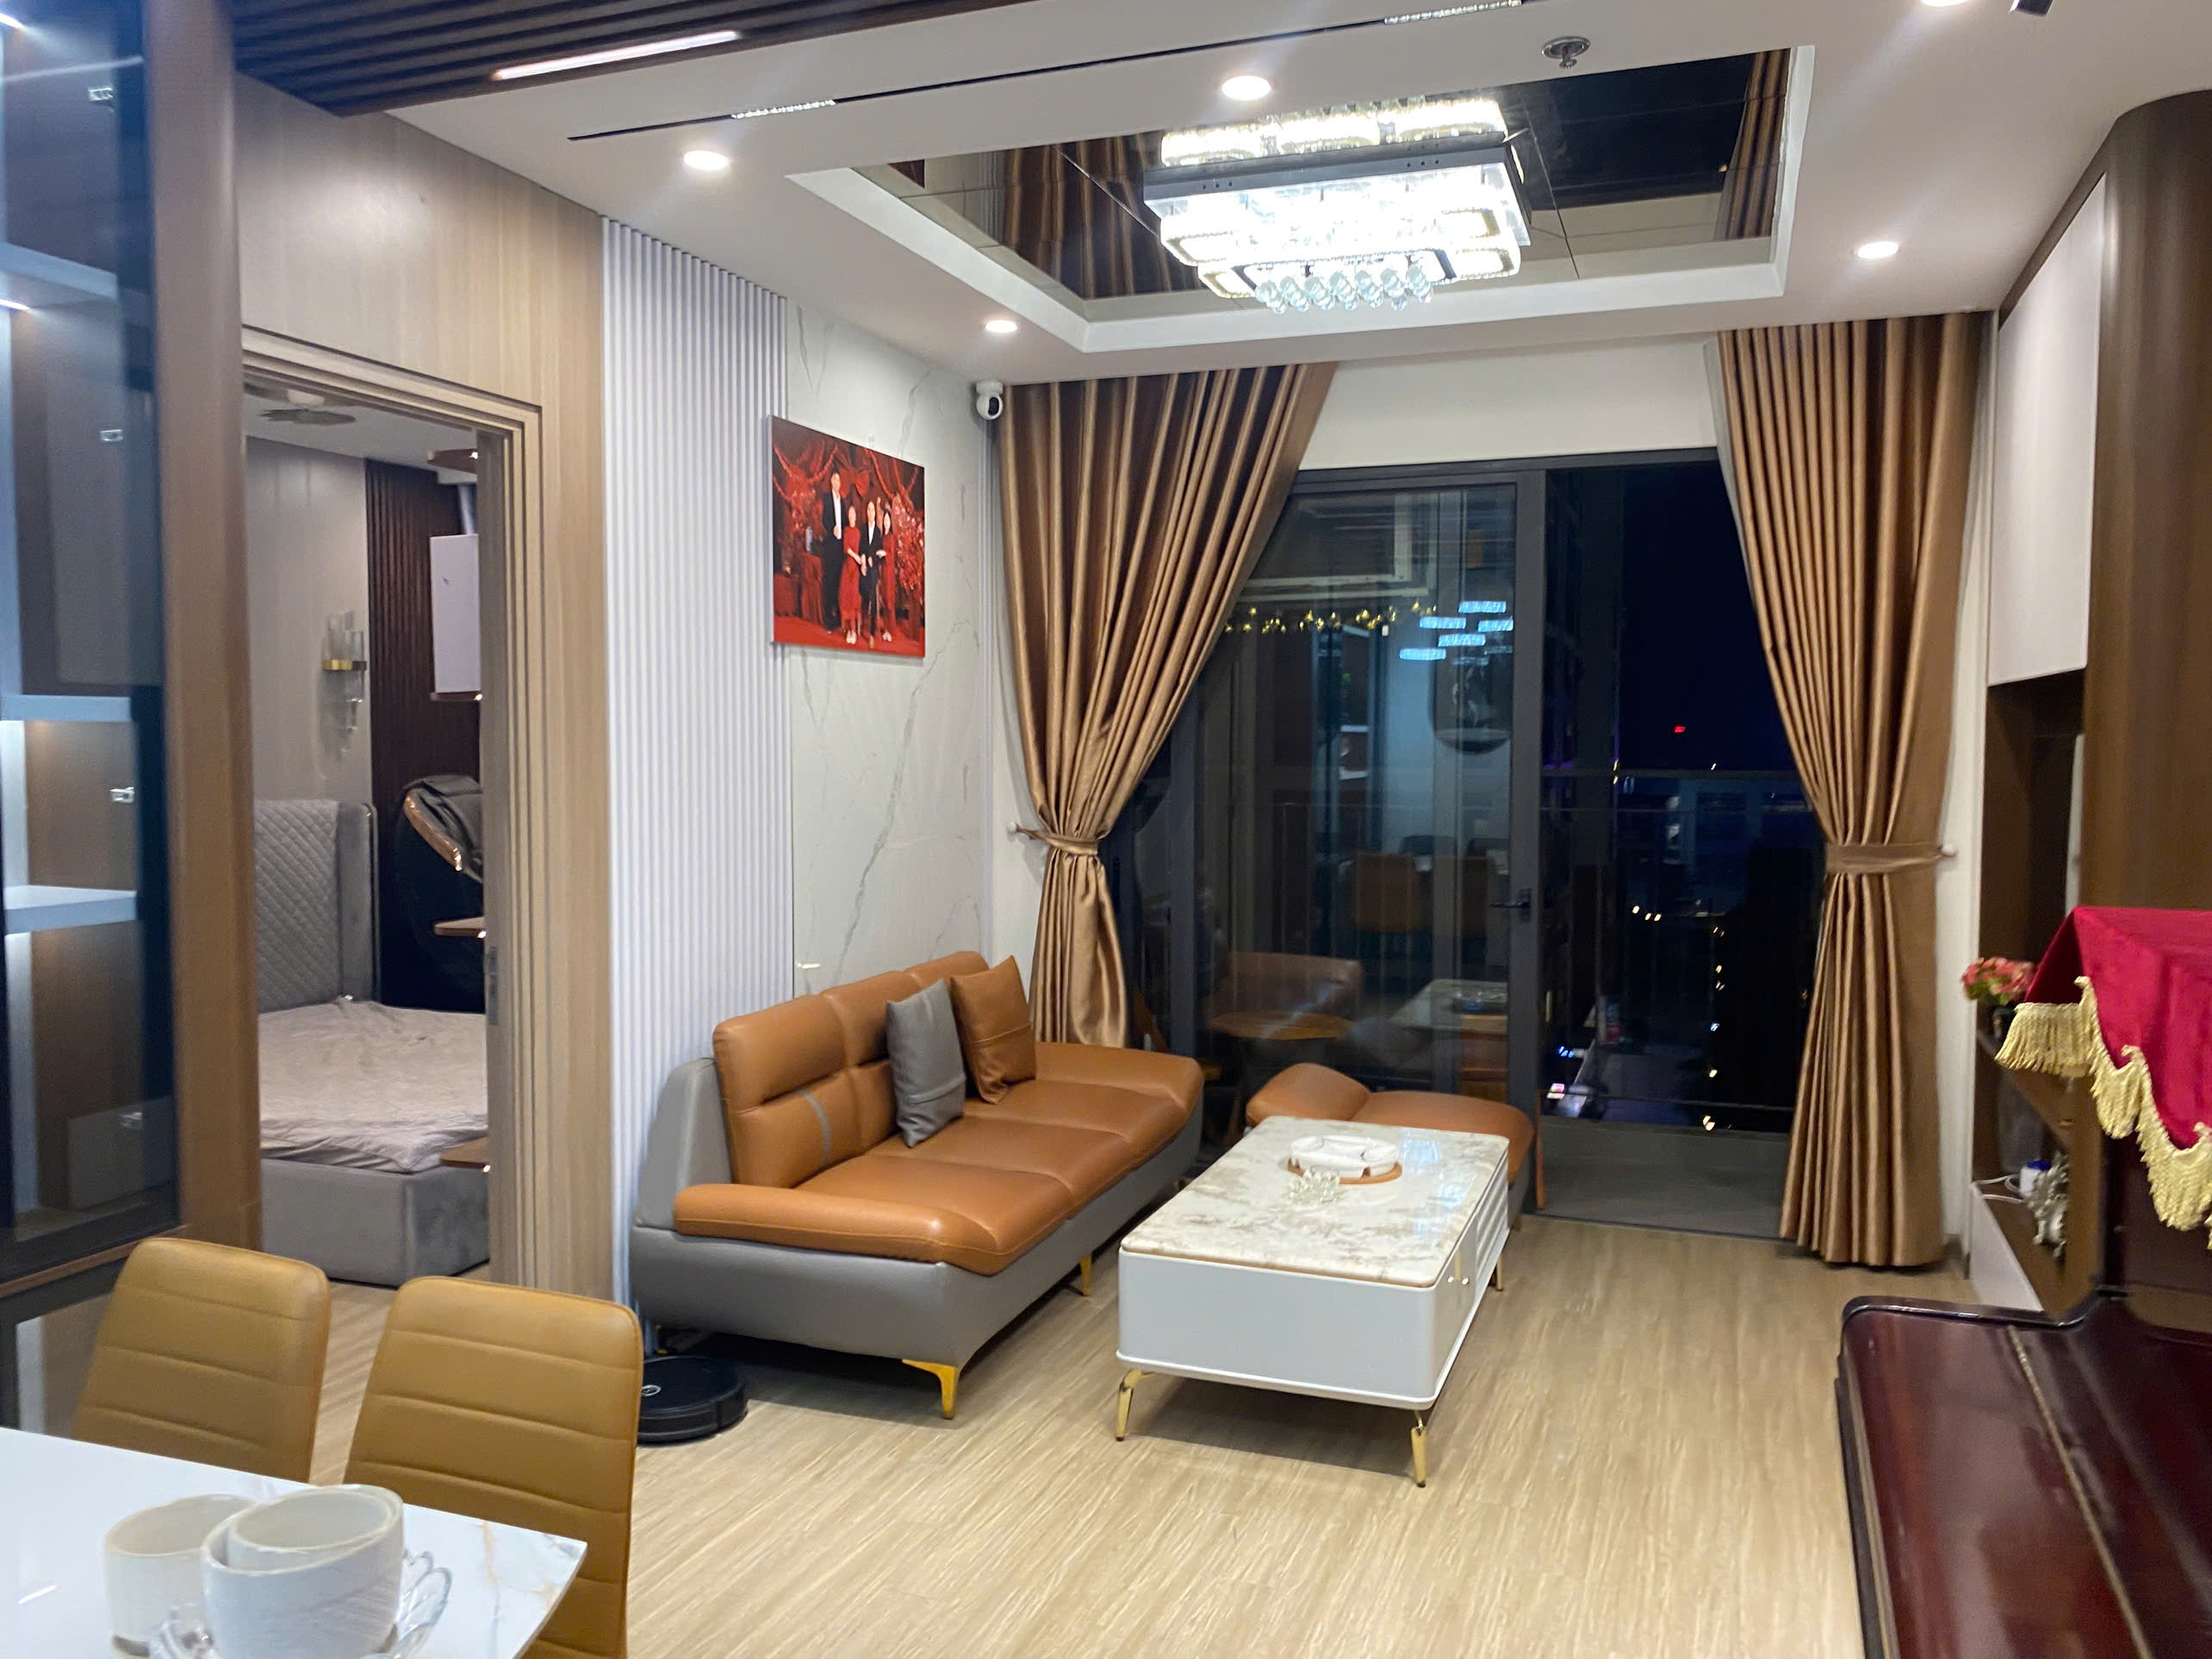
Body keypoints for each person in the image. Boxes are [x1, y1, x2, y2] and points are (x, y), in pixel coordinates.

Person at [817, 467, 849, 632]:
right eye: (835, 479)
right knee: (829, 582)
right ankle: (828, 619)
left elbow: (845, 522)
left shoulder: (842, 501)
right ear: (831, 481)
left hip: (840, 547)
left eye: (839, 480)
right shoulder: (826, 498)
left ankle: (836, 617)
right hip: (830, 545)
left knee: (838, 581)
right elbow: (824, 519)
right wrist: (832, 529)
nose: (837, 483)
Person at [839, 492, 863, 647]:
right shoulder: (847, 530)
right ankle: (848, 630)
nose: (851, 516)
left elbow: (861, 550)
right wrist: (856, 557)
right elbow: (846, 549)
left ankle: (854, 630)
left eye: (853, 514)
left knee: (854, 598)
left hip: (855, 570)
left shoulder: (858, 532)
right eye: (850, 514)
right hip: (847, 566)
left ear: (856, 515)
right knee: (845, 596)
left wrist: (861, 560)